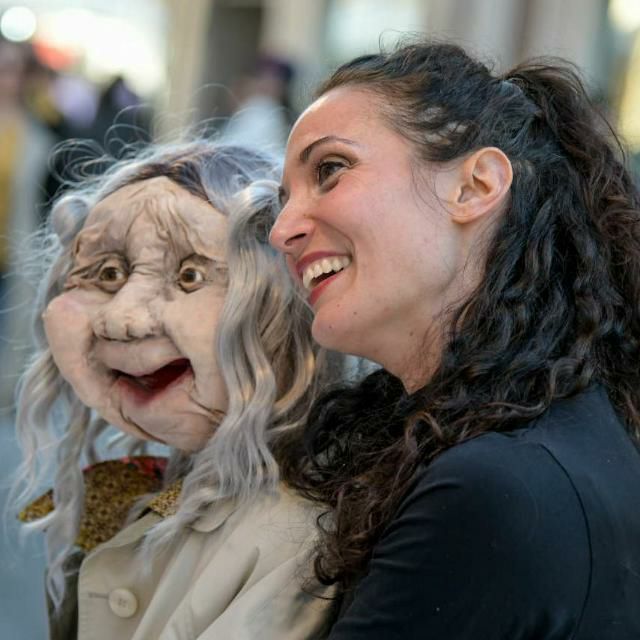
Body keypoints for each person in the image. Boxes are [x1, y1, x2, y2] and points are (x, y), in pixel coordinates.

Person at [269, 40, 640, 639]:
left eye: (330, 170)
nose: (282, 229)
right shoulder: (535, 439)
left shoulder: (495, 489)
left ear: (474, 187)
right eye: (283, 199)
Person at [12, 140, 342, 639]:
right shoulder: (160, 489)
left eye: (189, 276)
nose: (121, 318)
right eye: (108, 273)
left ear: (282, 307)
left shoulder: (290, 539)